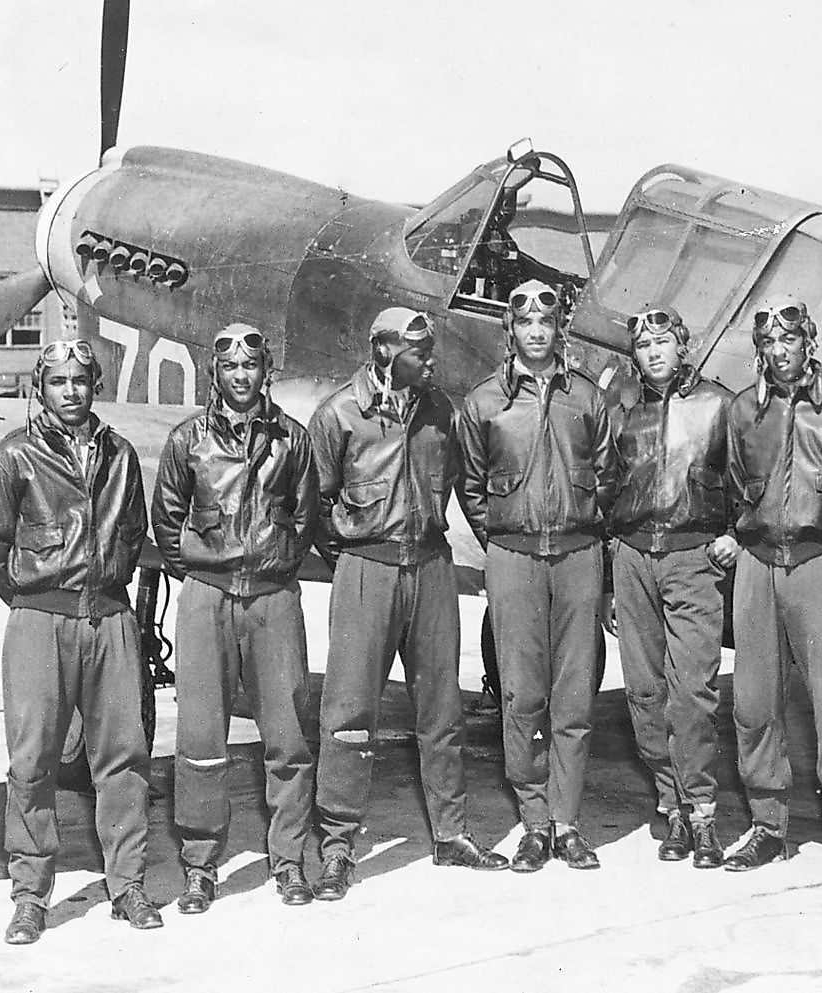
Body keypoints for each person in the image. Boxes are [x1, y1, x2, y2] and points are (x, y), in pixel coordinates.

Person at [308, 308, 508, 901]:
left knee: (441, 708)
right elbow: (315, 505)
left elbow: (452, 482)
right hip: (366, 569)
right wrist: (353, 554)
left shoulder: (437, 410)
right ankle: (339, 845)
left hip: (429, 566)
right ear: (385, 352)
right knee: (347, 712)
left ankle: (452, 834)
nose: (430, 359)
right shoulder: (338, 415)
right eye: (419, 351)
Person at [0, 338, 161, 943]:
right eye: (59, 382)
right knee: (32, 763)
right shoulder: (14, 458)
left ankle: (127, 884)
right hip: (39, 624)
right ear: (40, 389)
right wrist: (34, 600)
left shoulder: (121, 456)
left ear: (93, 386)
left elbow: (131, 532)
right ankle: (30, 895)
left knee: (124, 760)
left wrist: (102, 597)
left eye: (81, 380)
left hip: (109, 621)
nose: (71, 392)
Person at [151, 323, 319, 912]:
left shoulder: (292, 440)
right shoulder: (186, 441)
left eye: (251, 366)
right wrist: (205, 572)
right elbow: (167, 520)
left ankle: (291, 860)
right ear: (215, 374)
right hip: (207, 597)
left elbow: (306, 516)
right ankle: (200, 865)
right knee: (200, 735)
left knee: (289, 734)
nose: (241, 376)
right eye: (230, 368)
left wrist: (270, 566)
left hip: (272, 599)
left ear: (263, 371)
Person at [458, 279, 617, 872]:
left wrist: (583, 531)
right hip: (513, 558)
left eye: (545, 324)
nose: (535, 333)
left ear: (558, 331)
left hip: (578, 555)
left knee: (574, 696)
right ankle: (532, 822)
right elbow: (470, 486)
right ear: (511, 330)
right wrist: (502, 539)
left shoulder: (586, 400)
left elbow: (608, 477)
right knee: (522, 695)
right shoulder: (483, 404)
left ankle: (568, 823)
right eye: (524, 323)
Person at [724, 299, 822, 879]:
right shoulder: (744, 411)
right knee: (754, 703)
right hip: (759, 565)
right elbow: (737, 484)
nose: (779, 352)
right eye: (768, 344)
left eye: (789, 339)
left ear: (809, 340)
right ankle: (766, 826)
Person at [604, 304, 735, 869]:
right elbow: (604, 486)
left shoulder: (718, 405)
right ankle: (672, 809)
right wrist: (611, 570)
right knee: (644, 693)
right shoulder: (621, 409)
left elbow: (748, 477)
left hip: (691, 559)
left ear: (683, 345)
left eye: (664, 342)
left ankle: (702, 810)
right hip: (633, 558)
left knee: (693, 694)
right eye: (643, 345)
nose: (654, 352)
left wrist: (734, 532)